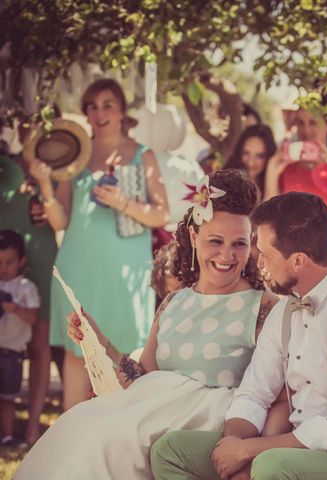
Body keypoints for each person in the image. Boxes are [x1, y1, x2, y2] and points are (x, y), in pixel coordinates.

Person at [15, 169, 286, 479]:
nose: (227, 255)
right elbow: (141, 378)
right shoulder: (175, 302)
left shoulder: (262, 307)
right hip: (154, 413)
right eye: (215, 241)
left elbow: (279, 396)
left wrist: (249, 451)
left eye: (239, 243)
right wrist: (98, 341)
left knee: (109, 442)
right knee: (75, 425)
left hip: (204, 425)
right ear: (194, 237)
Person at [150, 191, 327, 480]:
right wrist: (234, 448)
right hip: (299, 446)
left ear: (298, 261)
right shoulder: (285, 310)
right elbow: (254, 393)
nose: (259, 264)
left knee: (272, 468)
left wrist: (251, 451)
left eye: (266, 255)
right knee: (170, 450)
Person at [28, 78, 170, 410]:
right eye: (92, 106)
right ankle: (71, 441)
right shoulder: (75, 155)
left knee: (129, 353)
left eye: (107, 104)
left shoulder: (142, 155)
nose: (99, 112)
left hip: (126, 273)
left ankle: (121, 438)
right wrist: (46, 186)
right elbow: (61, 221)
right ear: (85, 114)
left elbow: (162, 214)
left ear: (121, 110)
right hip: (78, 268)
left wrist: (124, 203)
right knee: (78, 353)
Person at [0, 108, 58, 445]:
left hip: (41, 257)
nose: (29, 128)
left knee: (39, 345)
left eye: (36, 121)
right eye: (23, 122)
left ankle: (33, 426)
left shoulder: (59, 167)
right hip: (5, 261)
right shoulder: (5, 166)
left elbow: (63, 211)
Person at [263, 108, 327, 267]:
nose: (306, 130)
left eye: (313, 123)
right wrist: (272, 170)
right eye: (301, 123)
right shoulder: (287, 168)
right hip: (290, 263)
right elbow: (269, 219)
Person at [0, 230, 39, 447]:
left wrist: (14, 308)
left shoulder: (27, 288)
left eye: (9, 262)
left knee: (8, 397)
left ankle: (7, 436)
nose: (3, 268)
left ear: (21, 261)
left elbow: (32, 318)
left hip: (12, 353)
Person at [223, 124, 277, 201]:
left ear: (269, 157)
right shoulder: (227, 181)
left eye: (260, 156)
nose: (251, 162)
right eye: (246, 153)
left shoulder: (276, 181)